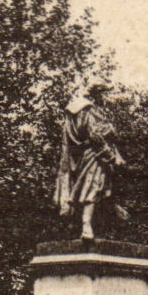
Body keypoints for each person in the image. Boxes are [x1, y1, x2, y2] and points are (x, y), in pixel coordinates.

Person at [55, 83, 125, 241]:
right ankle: (86, 226)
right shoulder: (86, 110)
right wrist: (111, 157)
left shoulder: (85, 110)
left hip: (90, 155)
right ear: (98, 94)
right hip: (95, 156)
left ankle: (101, 223)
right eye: (106, 94)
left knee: (100, 188)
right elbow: (95, 137)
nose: (108, 98)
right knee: (93, 187)